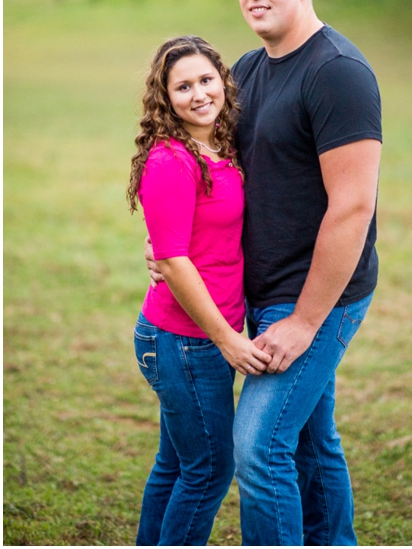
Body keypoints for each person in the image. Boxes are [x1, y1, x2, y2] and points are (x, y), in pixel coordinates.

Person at [147, 0, 382, 546]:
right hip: (256, 286)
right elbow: (217, 178)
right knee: (309, 439)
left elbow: (354, 208)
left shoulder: (339, 74)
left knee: (257, 447)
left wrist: (305, 321)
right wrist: (172, 248)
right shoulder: (247, 70)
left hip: (315, 295)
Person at [127, 36, 273, 545]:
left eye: (206, 80)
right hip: (186, 341)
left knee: (176, 465)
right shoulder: (172, 159)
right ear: (165, 98)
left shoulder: (219, 144)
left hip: (198, 339)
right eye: (182, 87)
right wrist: (228, 340)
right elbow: (173, 258)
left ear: (223, 81)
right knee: (209, 471)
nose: (198, 94)